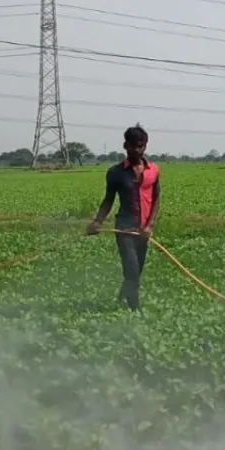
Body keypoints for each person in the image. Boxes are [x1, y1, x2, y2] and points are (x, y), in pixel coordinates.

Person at [87, 124, 161, 311]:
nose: (136, 150)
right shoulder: (116, 173)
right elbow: (108, 200)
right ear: (125, 145)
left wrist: (150, 226)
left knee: (137, 270)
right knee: (132, 271)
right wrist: (97, 221)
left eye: (140, 146)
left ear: (145, 146)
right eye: (132, 145)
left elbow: (156, 198)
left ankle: (122, 296)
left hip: (143, 230)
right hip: (124, 229)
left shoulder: (153, 171)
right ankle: (135, 311)